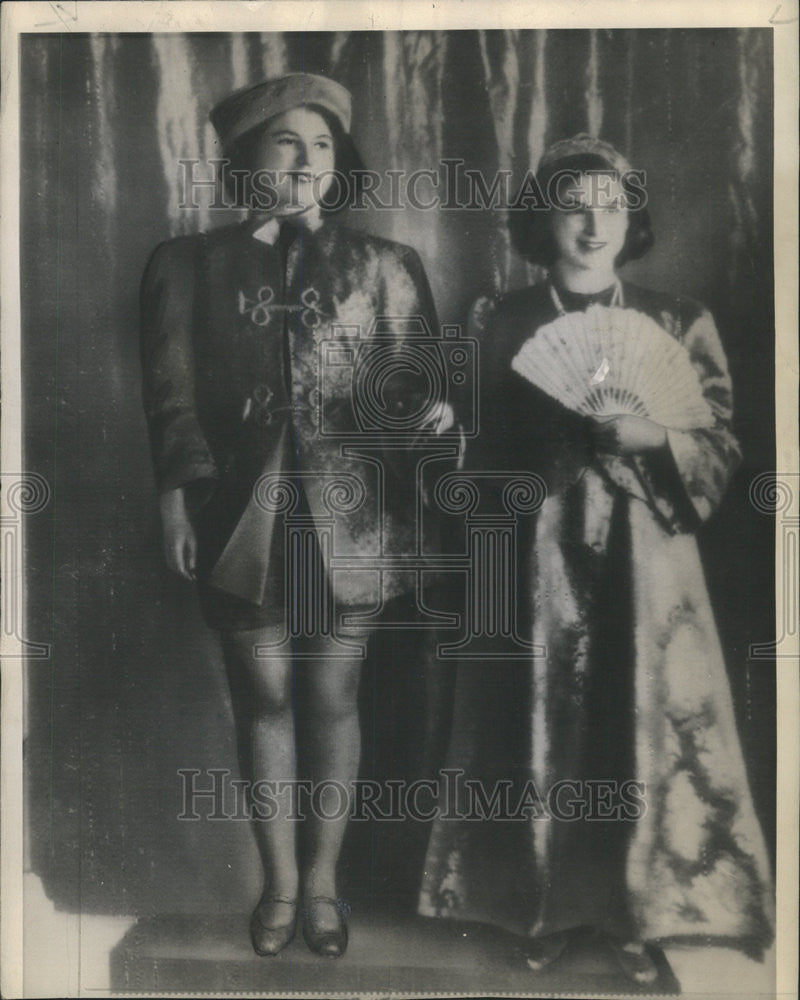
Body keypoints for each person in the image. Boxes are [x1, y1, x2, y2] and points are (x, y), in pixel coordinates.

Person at [418, 134, 774, 984]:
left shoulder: (678, 320)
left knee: (635, 720)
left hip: (648, 562)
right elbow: (472, 442)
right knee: (533, 722)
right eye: (574, 205)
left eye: (609, 207)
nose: (592, 223)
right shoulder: (496, 319)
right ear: (545, 218)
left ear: (631, 221)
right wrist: (450, 424)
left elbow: (721, 441)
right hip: (534, 553)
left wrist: (655, 434)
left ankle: (635, 916)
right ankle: (535, 907)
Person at [140, 72, 450, 958]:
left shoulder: (389, 265)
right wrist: (175, 501)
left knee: (330, 691)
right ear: (245, 159)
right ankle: (276, 886)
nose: (306, 160)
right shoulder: (186, 264)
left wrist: (434, 413)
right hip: (241, 512)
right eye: (286, 142)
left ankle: (323, 888)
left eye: (320, 144)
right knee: (266, 693)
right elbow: (171, 397)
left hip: (353, 511)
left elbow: (417, 386)